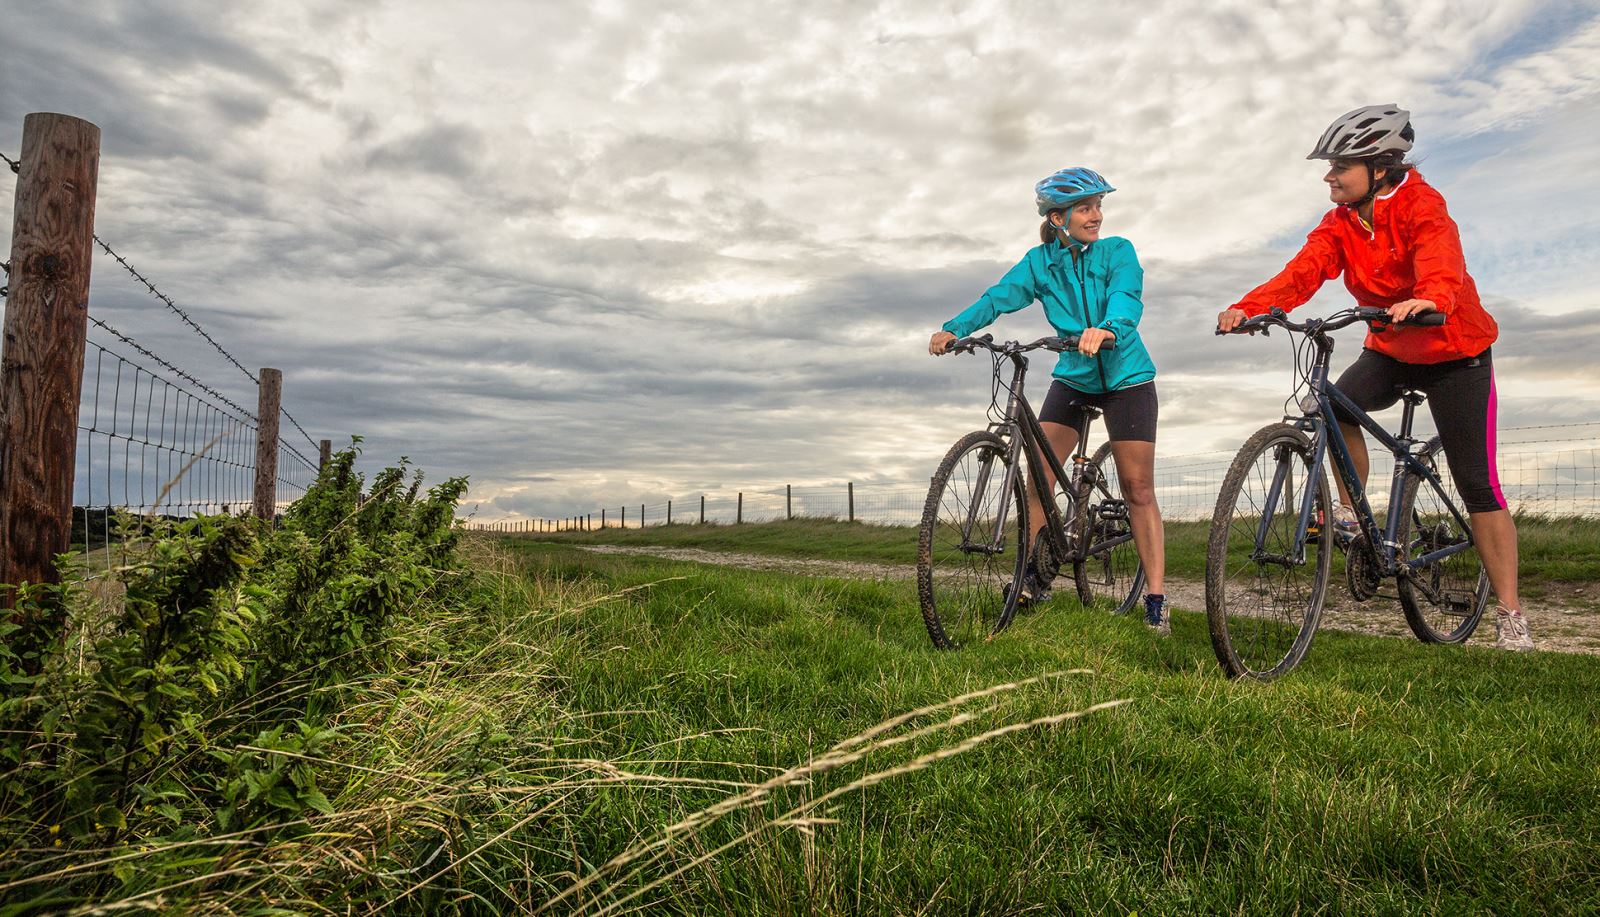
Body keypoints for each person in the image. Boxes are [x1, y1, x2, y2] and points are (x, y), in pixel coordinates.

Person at [1216, 104, 1532, 651]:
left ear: (1379, 168)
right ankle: (1353, 516)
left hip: (1454, 349)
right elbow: (1305, 269)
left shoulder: (1421, 203)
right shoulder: (1339, 222)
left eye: (1340, 165)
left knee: (1478, 485)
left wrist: (1431, 295)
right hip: (1389, 346)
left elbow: (1442, 257)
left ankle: (1509, 616)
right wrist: (1252, 308)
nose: (1328, 176)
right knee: (1331, 406)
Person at [929, 168, 1169, 634]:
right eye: (1086, 208)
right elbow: (999, 297)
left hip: (1128, 378)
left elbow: (1126, 294)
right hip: (1074, 377)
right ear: (1057, 218)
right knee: (1039, 480)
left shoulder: (1118, 251)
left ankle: (1157, 598)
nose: (1096, 215)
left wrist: (1109, 328)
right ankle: (1033, 576)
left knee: (1138, 487)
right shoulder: (1040, 263)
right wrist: (955, 328)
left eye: (1099, 206)